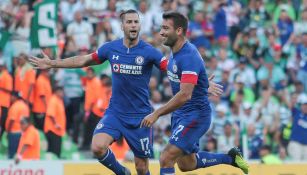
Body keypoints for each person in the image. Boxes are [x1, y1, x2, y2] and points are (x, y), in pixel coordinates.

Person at [29, 9, 222, 175]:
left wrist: (202, 85)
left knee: (141, 167)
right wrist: (53, 63)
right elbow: (83, 60)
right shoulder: (110, 49)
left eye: (136, 22)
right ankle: (121, 172)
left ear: (139, 26)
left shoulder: (150, 52)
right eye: (129, 22)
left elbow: (174, 71)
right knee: (97, 147)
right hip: (116, 113)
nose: (133, 25)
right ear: (122, 26)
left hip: (141, 117)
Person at [140, 11, 249, 175]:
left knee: (166, 158)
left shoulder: (188, 55)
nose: (161, 32)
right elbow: (186, 77)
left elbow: (185, 95)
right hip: (181, 114)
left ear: (178, 31)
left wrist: (157, 113)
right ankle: (230, 158)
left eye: (165, 28)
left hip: (195, 116)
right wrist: (203, 83)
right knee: (186, 164)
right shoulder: (175, 50)